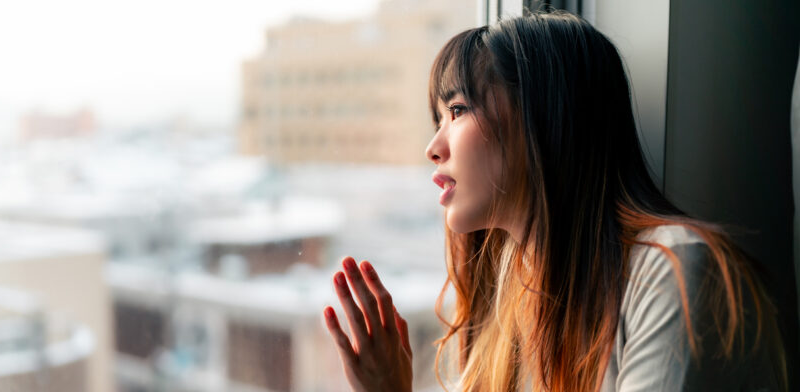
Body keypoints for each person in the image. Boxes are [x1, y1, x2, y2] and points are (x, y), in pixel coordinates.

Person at [322, 10, 788, 392]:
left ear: (541, 119)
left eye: (458, 110)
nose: (433, 146)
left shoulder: (675, 273)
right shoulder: (515, 303)